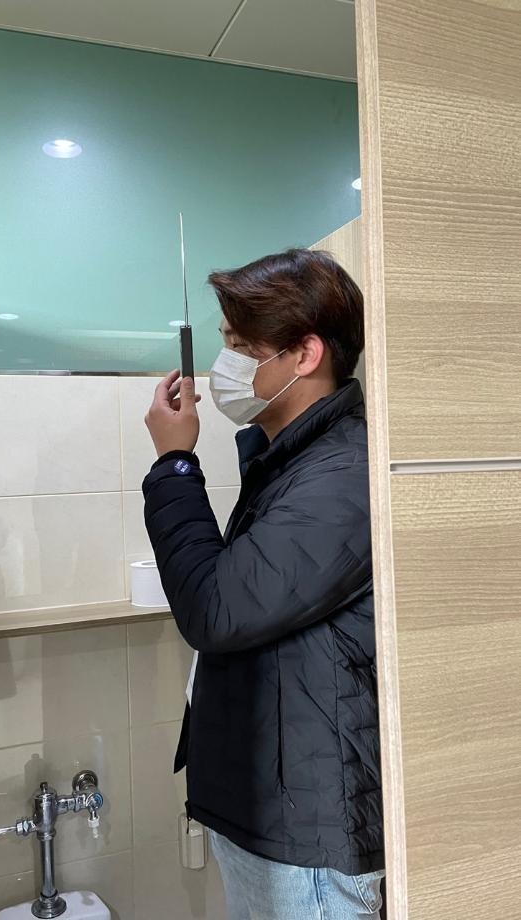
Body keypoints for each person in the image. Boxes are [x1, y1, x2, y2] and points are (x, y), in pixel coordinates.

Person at [142, 247, 385, 920]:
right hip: (275, 811)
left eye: (241, 347)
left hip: (307, 836)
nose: (225, 367)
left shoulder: (342, 476)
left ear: (305, 354)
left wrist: (174, 465)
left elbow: (216, 608)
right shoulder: (295, 462)